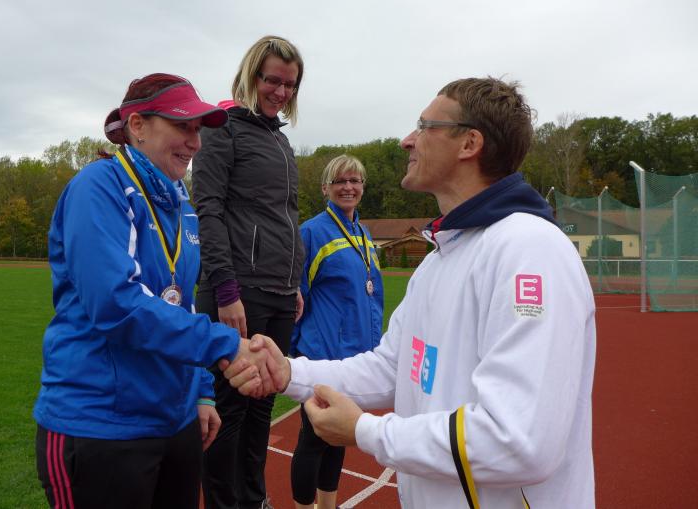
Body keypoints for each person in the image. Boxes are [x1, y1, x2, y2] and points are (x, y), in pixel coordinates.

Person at [225, 77, 597, 508]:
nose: (407, 141)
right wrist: (289, 373)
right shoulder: (440, 257)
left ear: (469, 143)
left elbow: (517, 441)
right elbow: (391, 368)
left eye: (424, 126)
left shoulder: (529, 250)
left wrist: (366, 431)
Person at [32, 73, 274, 509]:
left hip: (175, 421)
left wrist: (202, 390)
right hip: (101, 424)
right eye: (182, 126)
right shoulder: (99, 187)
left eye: (198, 130)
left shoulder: (182, 205)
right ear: (138, 125)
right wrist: (225, 345)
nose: (195, 143)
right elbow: (117, 305)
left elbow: (182, 304)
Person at [192, 35, 305, 509]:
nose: (282, 92)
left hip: (278, 292)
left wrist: (293, 283)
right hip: (239, 290)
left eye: (290, 85)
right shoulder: (223, 130)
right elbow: (209, 210)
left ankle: (255, 499)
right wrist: (225, 289)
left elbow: (285, 216)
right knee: (230, 410)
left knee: (263, 405)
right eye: (273, 80)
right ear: (251, 76)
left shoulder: (280, 140)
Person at [290, 155, 384, 509]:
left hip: (355, 357)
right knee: (313, 438)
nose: (348, 187)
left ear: (363, 187)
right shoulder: (311, 232)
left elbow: (371, 294)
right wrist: (298, 349)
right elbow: (295, 298)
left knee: (339, 436)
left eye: (354, 181)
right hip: (322, 354)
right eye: (340, 181)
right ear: (325, 188)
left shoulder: (363, 233)